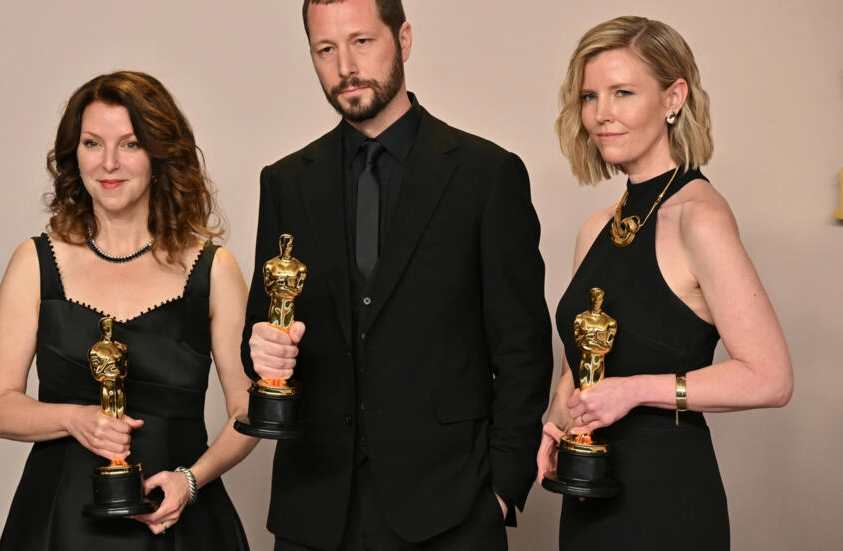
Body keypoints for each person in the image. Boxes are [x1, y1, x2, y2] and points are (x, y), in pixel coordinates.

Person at [243, 1, 553, 549]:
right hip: (315, 510)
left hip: (451, 508)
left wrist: (502, 489)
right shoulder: (287, 182)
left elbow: (522, 349)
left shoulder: (486, 175)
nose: (345, 67)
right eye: (325, 49)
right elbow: (265, 330)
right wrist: (262, 352)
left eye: (362, 42)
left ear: (403, 39)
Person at [537, 16, 794, 551]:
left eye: (623, 92)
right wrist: (554, 427)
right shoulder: (596, 229)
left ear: (673, 97)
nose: (601, 114)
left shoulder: (700, 216)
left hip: (667, 500)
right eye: (590, 96)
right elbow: (577, 368)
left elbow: (771, 378)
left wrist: (635, 391)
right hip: (588, 500)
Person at [0, 71, 257, 550]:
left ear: (159, 155)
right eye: (92, 143)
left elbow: (247, 408)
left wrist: (191, 481)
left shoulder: (214, 270)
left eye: (129, 144)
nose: (109, 162)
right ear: (74, 155)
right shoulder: (35, 262)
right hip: (57, 526)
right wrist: (73, 419)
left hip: (180, 526)